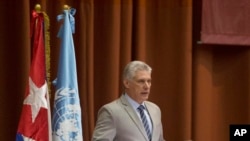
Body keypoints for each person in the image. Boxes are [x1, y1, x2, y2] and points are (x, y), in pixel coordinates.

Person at [92, 60, 165, 141]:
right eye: (141, 81)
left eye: (149, 81)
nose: (147, 86)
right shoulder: (111, 111)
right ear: (127, 83)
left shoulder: (155, 109)